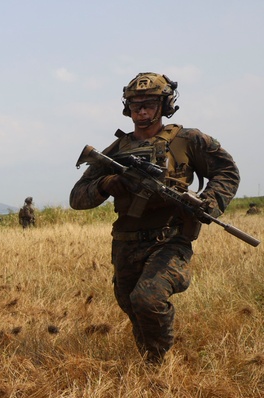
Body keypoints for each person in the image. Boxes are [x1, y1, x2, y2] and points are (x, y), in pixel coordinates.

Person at [70, 72, 239, 364]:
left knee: (147, 300)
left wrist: (208, 202)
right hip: (126, 242)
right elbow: (77, 197)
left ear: (165, 105)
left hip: (171, 239)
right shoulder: (117, 151)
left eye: (149, 104)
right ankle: (150, 361)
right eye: (135, 105)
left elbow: (227, 172)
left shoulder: (188, 140)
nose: (142, 111)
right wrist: (106, 184)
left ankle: (159, 364)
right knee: (131, 305)